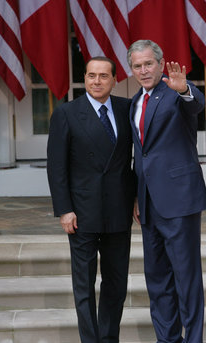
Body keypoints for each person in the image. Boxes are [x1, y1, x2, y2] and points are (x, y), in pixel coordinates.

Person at [127, 40, 206, 343]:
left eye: (148, 63)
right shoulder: (135, 102)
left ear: (160, 64)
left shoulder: (175, 93)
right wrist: (137, 195)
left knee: (186, 279)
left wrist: (184, 89)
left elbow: (196, 104)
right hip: (148, 205)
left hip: (180, 201)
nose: (144, 70)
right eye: (137, 66)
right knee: (158, 281)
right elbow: (142, 155)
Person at [47, 56, 135, 343]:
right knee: (84, 286)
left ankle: (109, 339)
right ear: (84, 78)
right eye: (91, 75)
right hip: (82, 214)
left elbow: (133, 162)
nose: (97, 81)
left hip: (119, 211)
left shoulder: (126, 109)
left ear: (114, 80)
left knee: (116, 284)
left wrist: (136, 199)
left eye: (103, 76)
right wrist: (64, 210)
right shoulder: (67, 114)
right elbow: (57, 167)